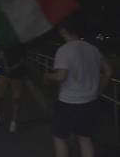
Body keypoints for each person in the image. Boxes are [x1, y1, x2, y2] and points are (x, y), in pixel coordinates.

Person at [44, 16, 113, 157]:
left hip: (68, 102)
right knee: (84, 138)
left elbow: (61, 76)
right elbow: (109, 71)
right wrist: (99, 90)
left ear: (63, 31)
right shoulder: (92, 49)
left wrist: (47, 76)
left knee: (59, 137)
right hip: (89, 102)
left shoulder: (64, 50)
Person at [0, 45, 26, 133]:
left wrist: (12, 68)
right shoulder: (5, 41)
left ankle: (14, 121)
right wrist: (5, 66)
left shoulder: (21, 43)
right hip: (4, 74)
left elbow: (23, 60)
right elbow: (1, 55)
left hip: (17, 75)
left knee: (16, 99)